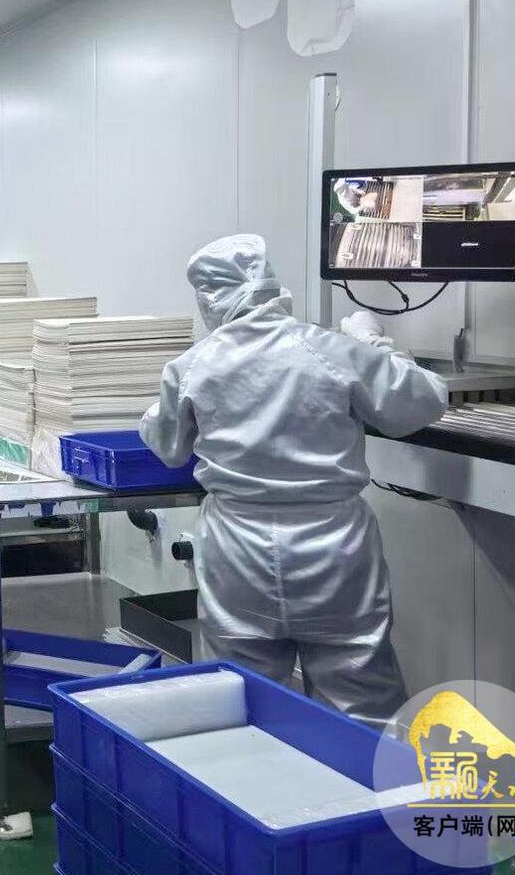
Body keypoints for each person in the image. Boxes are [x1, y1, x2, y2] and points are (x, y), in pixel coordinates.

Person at [139, 233, 447, 726]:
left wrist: (160, 410)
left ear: (208, 298)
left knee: (240, 699)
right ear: (269, 285)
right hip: (333, 547)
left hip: (236, 549)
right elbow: (423, 400)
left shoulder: (192, 366)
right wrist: (373, 343)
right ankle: (361, 777)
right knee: (361, 699)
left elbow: (167, 446)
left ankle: (252, 776)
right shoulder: (330, 350)